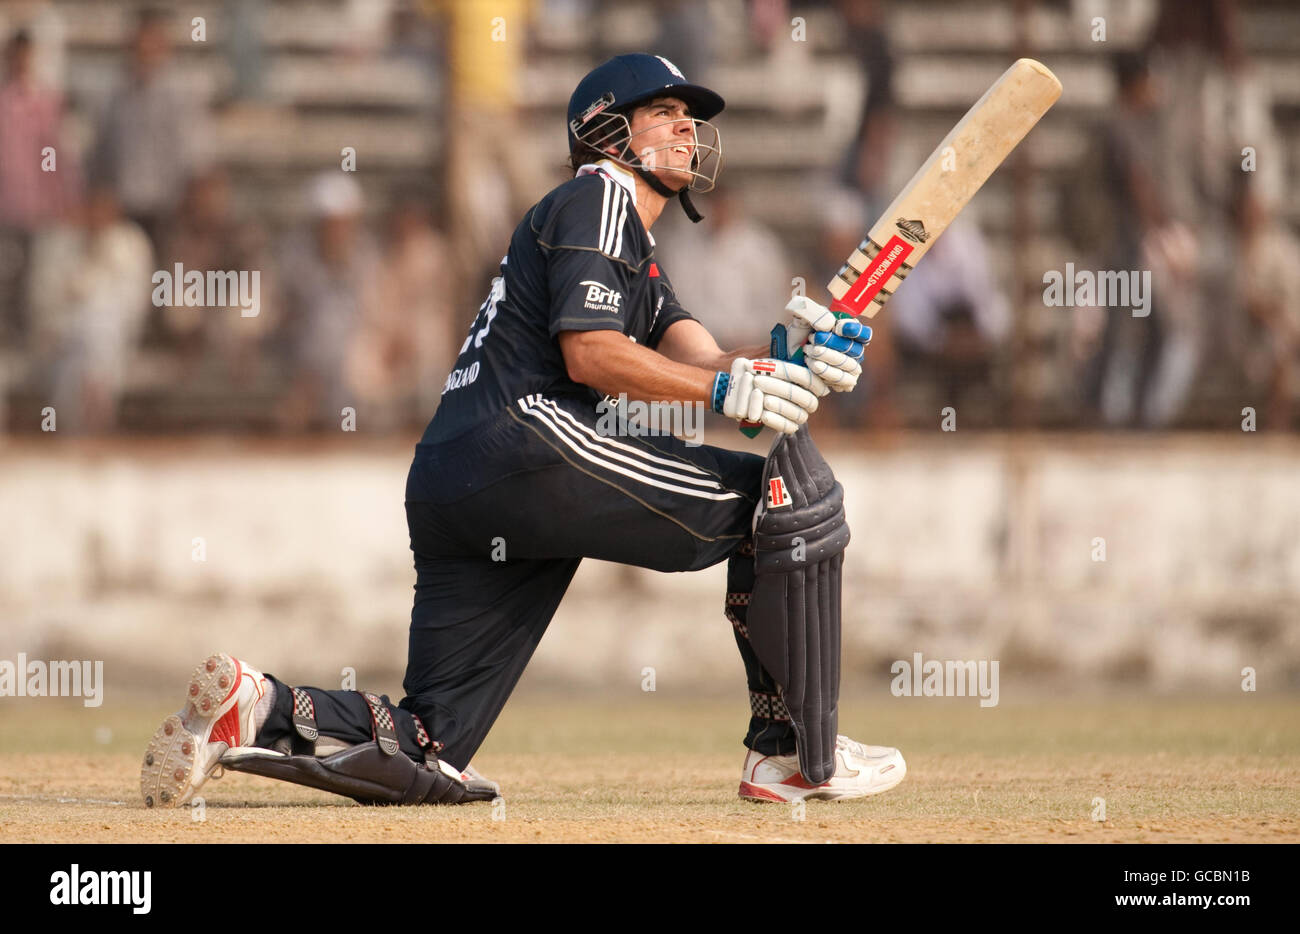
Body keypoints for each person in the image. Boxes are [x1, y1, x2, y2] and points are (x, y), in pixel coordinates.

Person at [141, 54, 904, 809]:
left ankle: (256, 706)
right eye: (663, 110)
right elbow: (595, 354)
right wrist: (726, 385)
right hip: (528, 443)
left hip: (454, 476)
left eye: (690, 114)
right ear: (608, 131)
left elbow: (703, 362)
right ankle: (792, 755)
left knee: (427, 743)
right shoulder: (599, 198)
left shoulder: (630, 250)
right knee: (782, 505)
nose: (686, 124)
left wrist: (786, 360)